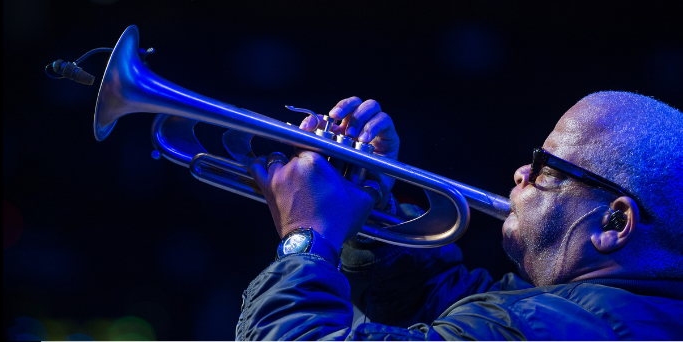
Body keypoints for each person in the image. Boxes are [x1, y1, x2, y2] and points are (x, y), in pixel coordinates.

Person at [236, 91, 683, 340]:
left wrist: (307, 236)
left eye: (549, 167)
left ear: (614, 223)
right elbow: (447, 302)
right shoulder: (619, 312)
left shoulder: (557, 329)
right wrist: (371, 206)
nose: (522, 173)